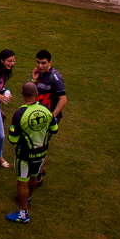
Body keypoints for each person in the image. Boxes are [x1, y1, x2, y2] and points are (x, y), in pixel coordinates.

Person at [5, 81, 57, 224]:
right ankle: (28, 197)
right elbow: (54, 129)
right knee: (34, 176)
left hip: (24, 155)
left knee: (22, 183)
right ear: (37, 94)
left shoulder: (19, 114)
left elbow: (12, 140)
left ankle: (23, 214)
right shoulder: (46, 109)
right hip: (41, 153)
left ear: (22, 93)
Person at [31, 49, 67, 187]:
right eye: (38, 62)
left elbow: (63, 99)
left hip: (48, 117)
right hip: (37, 116)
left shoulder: (55, 78)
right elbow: (29, 92)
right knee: (37, 143)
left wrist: (52, 117)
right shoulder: (37, 74)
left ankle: (39, 174)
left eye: (43, 63)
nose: (40, 66)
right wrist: (33, 79)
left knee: (41, 145)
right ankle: (40, 168)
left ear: (50, 63)